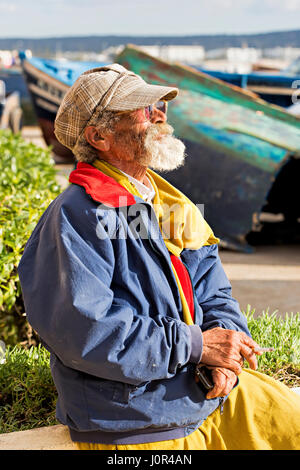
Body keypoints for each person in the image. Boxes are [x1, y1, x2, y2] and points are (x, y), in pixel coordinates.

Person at [18, 64, 300, 451]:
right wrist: (198, 346)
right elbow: (87, 331)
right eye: (142, 108)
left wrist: (225, 353)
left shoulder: (163, 205)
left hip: (204, 396)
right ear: (98, 136)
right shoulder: (78, 215)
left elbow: (213, 290)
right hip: (136, 420)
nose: (159, 114)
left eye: (157, 104)